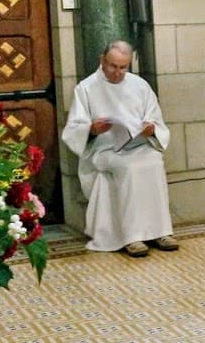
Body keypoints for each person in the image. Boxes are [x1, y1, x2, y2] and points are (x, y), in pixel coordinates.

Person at [62, 41, 178, 257]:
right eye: (113, 66)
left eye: (123, 67)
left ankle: (160, 232)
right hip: (103, 150)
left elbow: (155, 119)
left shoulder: (140, 86)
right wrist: (92, 129)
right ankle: (132, 236)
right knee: (130, 167)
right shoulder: (86, 88)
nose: (118, 72)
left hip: (137, 145)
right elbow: (73, 130)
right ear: (102, 61)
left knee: (153, 161)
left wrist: (150, 129)